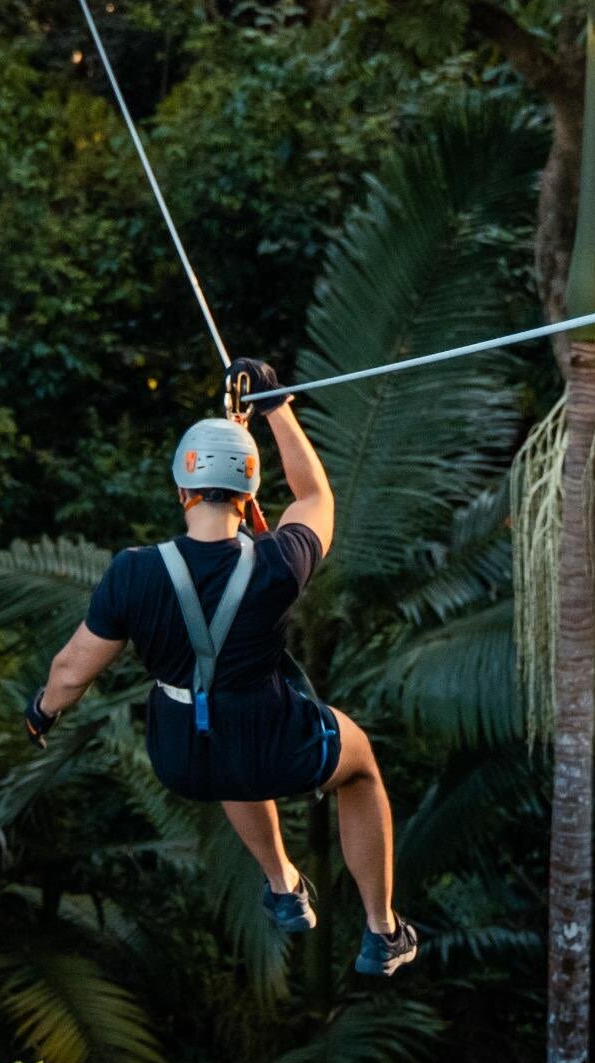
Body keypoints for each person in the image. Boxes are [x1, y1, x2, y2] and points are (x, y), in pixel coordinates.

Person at [25, 357, 419, 978]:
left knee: (227, 750)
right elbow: (315, 497)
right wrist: (276, 408)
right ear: (250, 495)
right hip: (269, 740)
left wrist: (41, 712)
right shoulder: (278, 560)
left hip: (184, 757)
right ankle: (381, 930)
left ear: (182, 489)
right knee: (361, 765)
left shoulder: (134, 571)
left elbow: (72, 672)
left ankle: (284, 884)